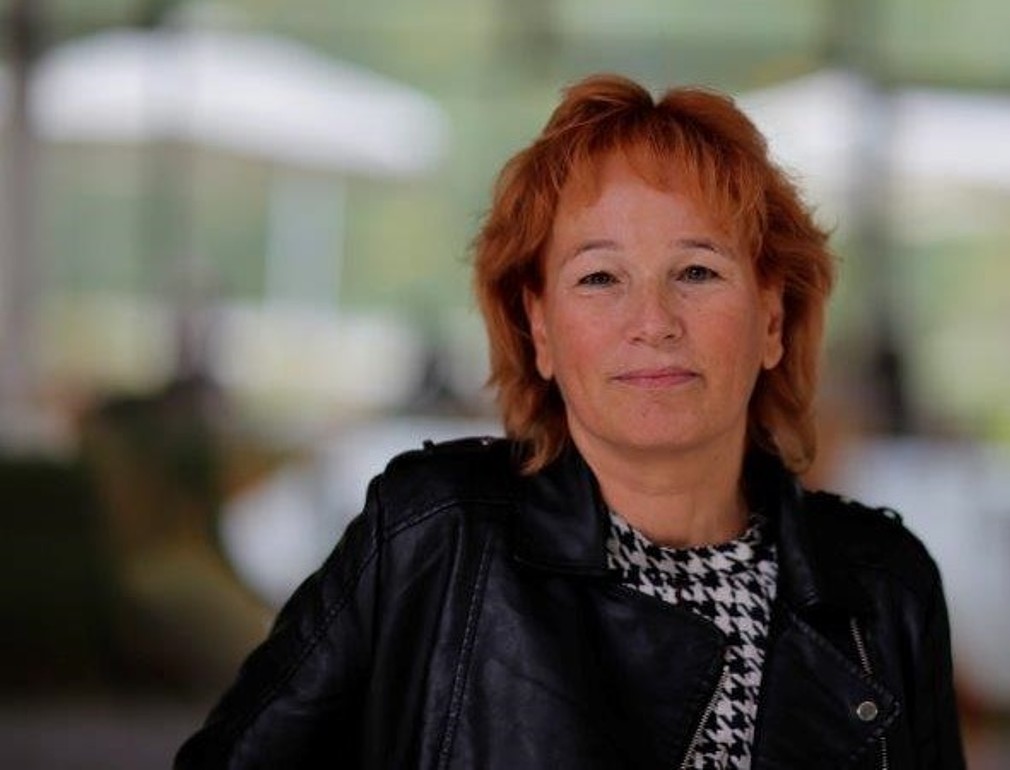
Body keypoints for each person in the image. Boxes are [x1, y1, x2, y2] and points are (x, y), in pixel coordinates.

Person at [176, 73, 964, 770]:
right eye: (599, 278)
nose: (652, 322)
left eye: (697, 271)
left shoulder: (883, 587)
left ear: (772, 321)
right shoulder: (434, 535)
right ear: (540, 330)